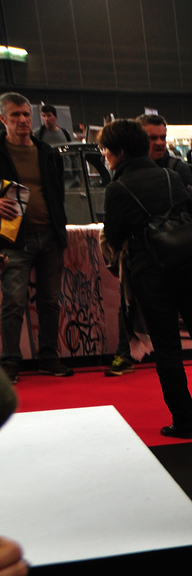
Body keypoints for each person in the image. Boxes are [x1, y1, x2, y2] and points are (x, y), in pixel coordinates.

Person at [99, 118, 192, 438]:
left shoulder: (117, 189)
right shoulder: (172, 176)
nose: (106, 157)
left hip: (153, 274)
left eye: (107, 151)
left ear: (119, 151)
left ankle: (184, 422)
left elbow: (113, 236)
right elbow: (188, 217)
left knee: (168, 350)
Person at [0, 92, 72, 383]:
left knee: (50, 301)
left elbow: (58, 194)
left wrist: (60, 229)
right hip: (13, 241)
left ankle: (49, 357)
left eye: (26, 114)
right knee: (13, 303)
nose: (22, 120)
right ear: (2, 119)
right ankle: (9, 362)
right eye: (15, 115)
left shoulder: (47, 152)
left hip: (50, 237)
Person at [137, 113, 192, 193]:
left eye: (163, 138)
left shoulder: (178, 169)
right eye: (153, 138)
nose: (159, 143)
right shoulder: (129, 169)